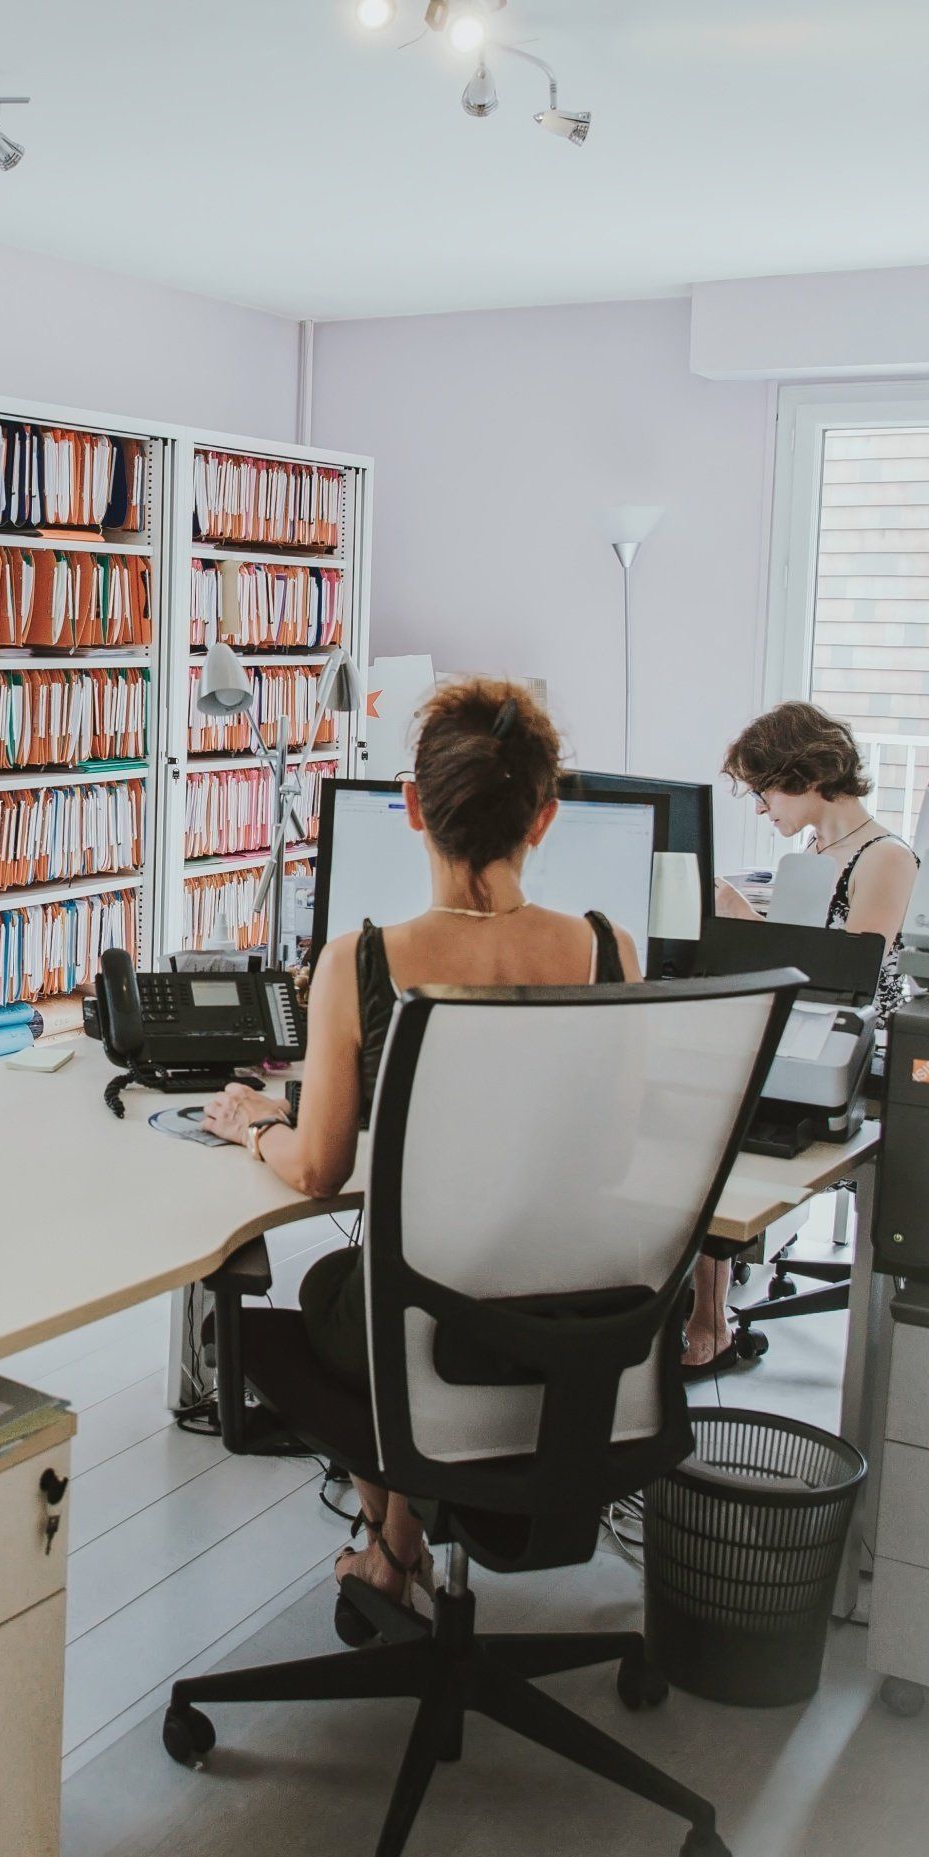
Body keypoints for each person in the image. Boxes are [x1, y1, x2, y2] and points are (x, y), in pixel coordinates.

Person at [202, 676, 639, 1623]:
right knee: (396, 1303)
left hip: (431, 1327)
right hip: (570, 1317)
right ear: (545, 818)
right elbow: (610, 1148)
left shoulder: (360, 961)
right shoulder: (609, 950)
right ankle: (395, 1549)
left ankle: (389, 1547)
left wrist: (257, 1124)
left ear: (411, 807)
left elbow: (318, 1169)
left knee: (336, 1289)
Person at [684, 699, 918, 1373]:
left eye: (765, 791)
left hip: (859, 1045)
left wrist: (743, 921)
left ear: (806, 775)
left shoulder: (884, 856)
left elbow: (850, 973)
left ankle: (708, 1318)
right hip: (806, 1027)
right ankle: (700, 1302)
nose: (762, 808)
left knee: (722, 1120)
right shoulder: (813, 852)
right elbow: (798, 967)